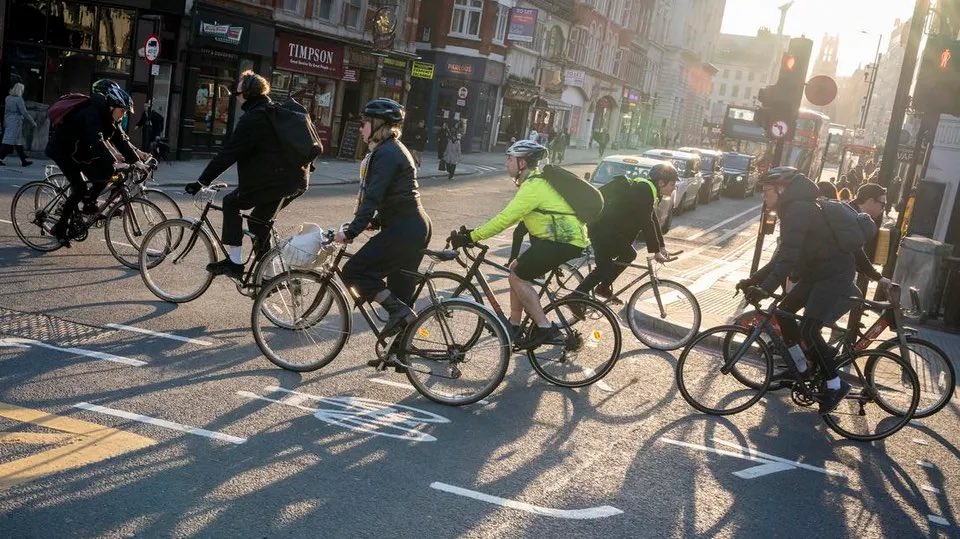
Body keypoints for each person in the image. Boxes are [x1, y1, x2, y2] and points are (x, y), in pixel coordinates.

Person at [736, 167, 857, 414]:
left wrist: (765, 289)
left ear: (782, 189)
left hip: (834, 275)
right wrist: (753, 281)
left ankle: (835, 384)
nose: (764, 196)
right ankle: (800, 368)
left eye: (767, 191)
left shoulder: (798, 210)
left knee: (809, 330)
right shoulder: (793, 209)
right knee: (785, 313)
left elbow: (788, 257)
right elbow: (782, 255)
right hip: (816, 273)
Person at [449, 140, 589, 348]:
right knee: (515, 269)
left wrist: (472, 237)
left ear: (522, 163)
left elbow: (505, 219)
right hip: (558, 240)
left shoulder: (534, 187)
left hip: (563, 241)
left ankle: (544, 327)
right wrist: (473, 233)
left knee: (517, 277)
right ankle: (514, 324)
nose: (506, 163)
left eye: (510, 159)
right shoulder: (534, 183)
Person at [185, 70, 308, 279]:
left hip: (279, 181)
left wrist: (201, 181)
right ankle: (270, 276)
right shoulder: (272, 112)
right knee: (258, 221)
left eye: (238, 93)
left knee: (231, 202)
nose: (236, 97)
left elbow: (228, 154)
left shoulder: (254, 118)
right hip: (293, 180)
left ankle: (235, 262)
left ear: (248, 94)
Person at [336, 98, 432, 364]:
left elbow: (373, 197)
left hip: (405, 229)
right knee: (401, 294)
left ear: (378, 124)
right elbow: (397, 195)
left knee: (354, 271)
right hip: (410, 225)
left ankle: (397, 313)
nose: (361, 128)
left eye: (364, 122)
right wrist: (376, 222)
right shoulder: (391, 149)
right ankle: (399, 355)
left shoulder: (386, 153)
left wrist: (351, 232)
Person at [46, 80, 145, 247]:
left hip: (80, 152)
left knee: (108, 173)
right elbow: (97, 142)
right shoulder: (92, 113)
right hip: (64, 151)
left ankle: (88, 203)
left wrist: (138, 162)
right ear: (112, 107)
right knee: (80, 188)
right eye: (122, 111)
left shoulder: (111, 118)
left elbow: (121, 140)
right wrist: (114, 161)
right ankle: (60, 228)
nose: (123, 116)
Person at [573, 163, 678, 304]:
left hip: (610, 232)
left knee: (626, 256)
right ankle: (574, 298)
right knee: (605, 268)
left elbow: (652, 219)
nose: (674, 188)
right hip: (602, 231)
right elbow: (646, 222)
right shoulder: (644, 189)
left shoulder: (649, 190)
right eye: (672, 184)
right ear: (661, 182)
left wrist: (661, 247)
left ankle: (602, 287)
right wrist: (656, 251)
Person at [0, 82, 36, 167]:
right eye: (22, 90)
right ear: (20, 90)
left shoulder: (8, 98)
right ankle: (1, 157)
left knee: (17, 142)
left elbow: (6, 111)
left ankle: (23, 160)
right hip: (16, 122)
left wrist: (5, 121)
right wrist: (32, 122)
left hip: (9, 121)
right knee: (8, 142)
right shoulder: (19, 99)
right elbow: (24, 112)